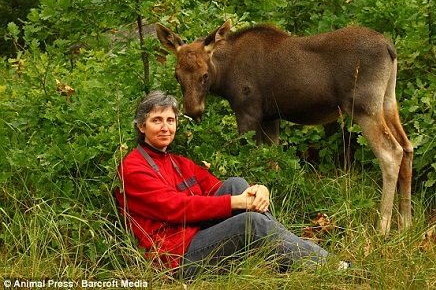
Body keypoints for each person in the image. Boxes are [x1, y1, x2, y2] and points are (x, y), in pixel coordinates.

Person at [115, 91, 335, 278]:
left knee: (236, 183)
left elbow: (219, 188)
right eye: (157, 120)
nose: (165, 127)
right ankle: (328, 266)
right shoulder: (133, 167)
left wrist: (258, 189)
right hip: (175, 257)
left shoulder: (178, 162)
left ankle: (287, 257)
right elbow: (177, 207)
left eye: (170, 120)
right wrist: (238, 203)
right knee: (251, 223)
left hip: (196, 233)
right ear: (142, 126)